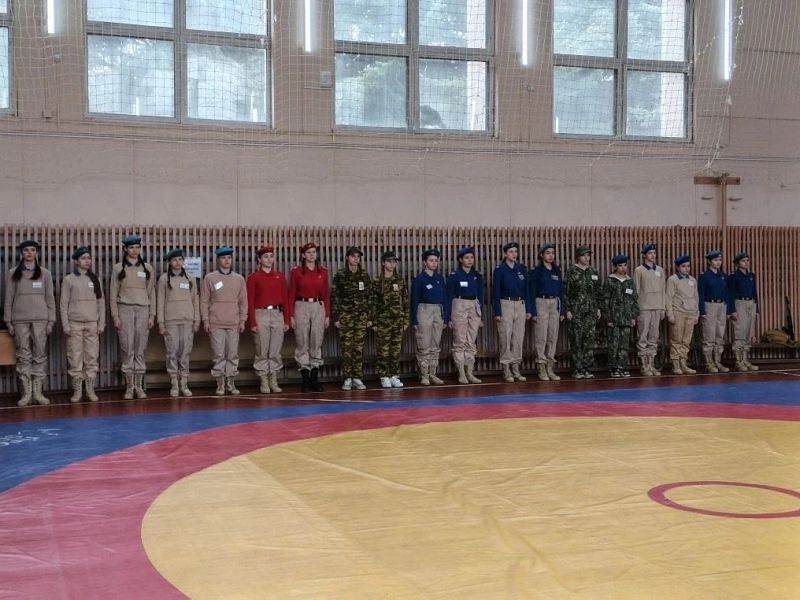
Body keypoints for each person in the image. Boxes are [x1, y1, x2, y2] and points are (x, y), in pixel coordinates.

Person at [4, 240, 55, 406]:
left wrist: (51, 320)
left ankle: (38, 393)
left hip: (41, 319)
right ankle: (26, 394)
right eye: (26, 250)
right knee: (23, 355)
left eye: (33, 250)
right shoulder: (13, 273)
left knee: (39, 354)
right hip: (19, 320)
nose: (30, 253)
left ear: (36, 253)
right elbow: (8, 298)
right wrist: (8, 321)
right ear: (22, 253)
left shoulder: (45, 273)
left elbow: (50, 298)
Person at [110, 234, 155, 400]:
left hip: (143, 309)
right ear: (125, 249)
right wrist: (115, 316)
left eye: (137, 247)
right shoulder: (118, 268)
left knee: (140, 348)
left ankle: (139, 386)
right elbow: (113, 293)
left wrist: (152, 315)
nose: (134, 250)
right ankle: (129, 387)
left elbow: (151, 293)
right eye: (131, 247)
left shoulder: (147, 268)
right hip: (124, 309)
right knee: (127, 347)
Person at [60, 246, 105, 403]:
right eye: (83, 258)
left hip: (92, 323)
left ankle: (90, 389)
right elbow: (63, 303)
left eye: (89, 258)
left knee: (91, 356)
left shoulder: (95, 279)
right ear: (76, 261)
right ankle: (77, 390)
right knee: (75, 356)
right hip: (74, 324)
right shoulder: (69, 280)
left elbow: (101, 302)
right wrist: (65, 325)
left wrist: (101, 323)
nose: (87, 261)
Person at [200, 246, 247, 396]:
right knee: (219, 354)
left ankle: (231, 383)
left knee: (232, 354)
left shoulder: (239, 279)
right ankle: (220, 383)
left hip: (233, 322)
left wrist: (242, 320)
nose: (226, 260)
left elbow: (243, 301)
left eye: (229, 258)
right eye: (223, 258)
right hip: (216, 322)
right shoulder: (210, 278)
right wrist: (206, 320)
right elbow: (204, 300)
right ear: (218, 260)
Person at [246, 244, 290, 394]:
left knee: (275, 349)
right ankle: (263, 379)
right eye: (265, 257)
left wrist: (286, 320)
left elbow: (285, 299)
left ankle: (273, 378)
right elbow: (250, 301)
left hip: (277, 314)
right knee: (262, 348)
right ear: (259, 259)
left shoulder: (280, 277)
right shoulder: (253, 278)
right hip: (261, 314)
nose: (269, 259)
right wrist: (252, 322)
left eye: (271, 256)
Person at [288, 242, 330, 393]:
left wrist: (328, 314)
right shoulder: (297, 272)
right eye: (309, 252)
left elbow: (326, 294)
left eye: (314, 252)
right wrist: (290, 315)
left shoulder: (323, 271)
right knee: (302, 340)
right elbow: (291, 293)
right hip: (301, 305)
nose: (312, 255)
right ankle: (305, 379)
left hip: (318, 306)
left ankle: (314, 378)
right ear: (303, 255)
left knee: (316, 340)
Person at [157, 248, 199, 398]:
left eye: (180, 259)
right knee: (172, 351)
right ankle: (174, 383)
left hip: (187, 320)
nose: (177, 262)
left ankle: (184, 383)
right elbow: (160, 301)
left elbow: (195, 300)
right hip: (171, 320)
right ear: (170, 262)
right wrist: (161, 323)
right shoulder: (164, 279)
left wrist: (196, 320)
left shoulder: (190, 278)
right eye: (174, 260)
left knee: (185, 352)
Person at [332, 246, 372, 390]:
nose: (356, 259)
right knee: (347, 347)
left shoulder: (364, 275)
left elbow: (370, 296)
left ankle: (357, 377)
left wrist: (369, 316)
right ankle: (348, 377)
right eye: (353, 256)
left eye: (358, 257)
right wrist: (337, 317)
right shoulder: (341, 275)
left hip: (361, 316)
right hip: (346, 316)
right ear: (347, 258)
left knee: (358, 347)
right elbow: (335, 296)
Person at [492, 242, 531, 383]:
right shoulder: (500, 270)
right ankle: (506, 368)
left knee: (518, 338)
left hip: (520, 304)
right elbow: (496, 291)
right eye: (511, 252)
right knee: (506, 337)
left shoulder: (521, 269)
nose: (514, 254)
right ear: (505, 254)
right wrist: (497, 311)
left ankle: (516, 368)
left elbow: (527, 290)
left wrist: (529, 309)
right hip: (506, 304)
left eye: (515, 251)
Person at [446, 246, 484, 385]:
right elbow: (448, 296)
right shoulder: (454, 276)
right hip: (459, 305)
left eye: (472, 257)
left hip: (474, 305)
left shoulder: (477, 276)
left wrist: (481, 315)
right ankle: (461, 372)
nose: (470, 260)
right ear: (461, 260)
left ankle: (470, 372)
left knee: (471, 341)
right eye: (467, 258)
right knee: (460, 340)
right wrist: (448, 318)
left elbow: (481, 295)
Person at [411, 249, 449, 385]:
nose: (434, 263)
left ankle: (433, 373)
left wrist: (445, 318)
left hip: (438, 311)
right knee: (424, 344)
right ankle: (424, 375)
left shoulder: (439, 279)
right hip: (424, 310)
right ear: (425, 262)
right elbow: (414, 300)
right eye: (431, 260)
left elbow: (444, 299)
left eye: (436, 260)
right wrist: (414, 319)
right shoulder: (419, 279)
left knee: (435, 344)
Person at [371, 250, 409, 389]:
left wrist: (406, 320)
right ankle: (384, 376)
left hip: (397, 320)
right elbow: (373, 302)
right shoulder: (377, 281)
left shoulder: (399, 280)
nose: (392, 264)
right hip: (383, 321)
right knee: (383, 350)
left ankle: (394, 375)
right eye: (389, 261)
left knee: (395, 350)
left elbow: (405, 301)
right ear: (383, 263)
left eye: (394, 262)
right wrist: (374, 322)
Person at [529, 242, 565, 381]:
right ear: (541, 255)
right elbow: (532, 291)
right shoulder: (537, 271)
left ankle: (550, 366)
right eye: (548, 253)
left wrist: (562, 311)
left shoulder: (556, 270)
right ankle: (541, 366)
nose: (551, 256)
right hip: (541, 302)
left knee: (552, 336)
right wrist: (533, 311)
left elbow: (561, 292)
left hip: (554, 303)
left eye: (552, 253)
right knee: (541, 336)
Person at [564, 246, 602, 379]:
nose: (586, 258)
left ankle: (586, 367)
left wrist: (598, 308)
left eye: (588, 255)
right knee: (577, 339)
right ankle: (577, 368)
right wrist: (568, 309)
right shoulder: (572, 271)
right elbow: (567, 292)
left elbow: (597, 291)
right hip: (577, 311)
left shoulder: (593, 271)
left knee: (589, 339)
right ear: (578, 257)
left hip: (591, 311)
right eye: (583, 255)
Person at [603, 255, 639, 378]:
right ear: (615, 267)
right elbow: (606, 300)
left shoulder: (629, 281)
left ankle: (621, 366)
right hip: (614, 318)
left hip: (626, 318)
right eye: (620, 266)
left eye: (625, 265)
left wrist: (633, 316)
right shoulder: (610, 280)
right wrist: (608, 318)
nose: (623, 268)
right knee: (614, 344)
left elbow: (634, 299)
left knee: (624, 344)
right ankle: (613, 368)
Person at [633, 244, 666, 377]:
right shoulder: (639, 270)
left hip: (657, 307)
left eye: (654, 253)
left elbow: (663, 290)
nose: (653, 255)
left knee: (653, 337)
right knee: (642, 337)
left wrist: (662, 308)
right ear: (644, 255)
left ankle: (651, 364)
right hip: (644, 308)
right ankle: (644, 365)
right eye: (650, 253)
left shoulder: (660, 270)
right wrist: (635, 309)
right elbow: (635, 290)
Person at [698, 250, 732, 373]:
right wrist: (702, 310)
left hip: (721, 305)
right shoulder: (705, 276)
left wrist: (728, 310)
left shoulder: (723, 276)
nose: (718, 262)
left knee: (720, 335)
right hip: (709, 305)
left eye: (720, 260)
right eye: (715, 260)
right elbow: (701, 294)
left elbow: (727, 293)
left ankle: (717, 361)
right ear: (709, 261)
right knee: (709, 335)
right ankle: (709, 362)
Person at [665, 255, 699, 375]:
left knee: (686, 340)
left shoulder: (693, 280)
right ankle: (676, 364)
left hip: (690, 313)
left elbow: (696, 297)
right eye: (683, 266)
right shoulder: (673, 280)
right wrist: (670, 314)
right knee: (676, 339)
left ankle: (683, 363)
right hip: (678, 312)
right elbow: (668, 297)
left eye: (688, 266)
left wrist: (696, 314)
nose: (686, 268)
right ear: (678, 267)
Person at [728, 251, 760, 372]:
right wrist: (732, 310)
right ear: (737, 263)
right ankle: (738, 360)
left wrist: (756, 308)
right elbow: (730, 294)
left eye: (747, 260)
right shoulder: (733, 276)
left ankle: (745, 359)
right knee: (740, 332)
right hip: (739, 303)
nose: (746, 263)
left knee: (749, 332)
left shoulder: (751, 275)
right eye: (743, 261)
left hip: (750, 303)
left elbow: (754, 292)